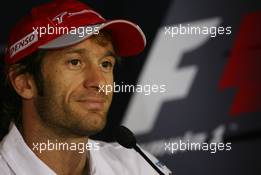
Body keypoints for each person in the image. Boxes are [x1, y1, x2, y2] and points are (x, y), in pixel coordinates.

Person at [0, 0, 171, 174]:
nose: (99, 82)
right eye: (75, 62)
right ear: (24, 83)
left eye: (105, 64)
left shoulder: (136, 166)